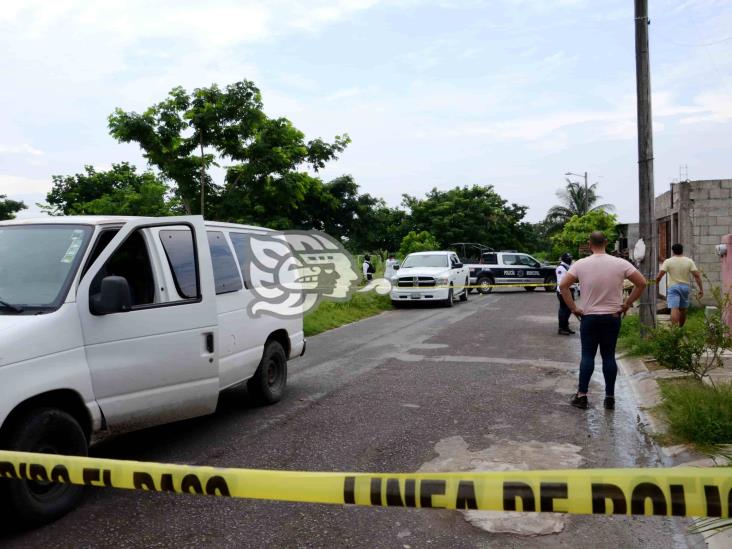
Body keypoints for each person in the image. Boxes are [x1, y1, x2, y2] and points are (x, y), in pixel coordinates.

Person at [559, 231, 647, 410]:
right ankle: (609, 398)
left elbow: (563, 286)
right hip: (612, 317)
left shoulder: (580, 264)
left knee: (588, 356)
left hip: (589, 317)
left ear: (589, 244)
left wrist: (574, 308)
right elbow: (642, 283)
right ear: (606, 243)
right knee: (608, 356)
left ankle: (582, 395)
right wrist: (627, 304)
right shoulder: (620, 263)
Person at [655, 243, 703, 327]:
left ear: (672, 251)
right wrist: (701, 289)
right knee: (682, 309)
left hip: (673, 288)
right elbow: (697, 275)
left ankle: (674, 330)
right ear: (682, 250)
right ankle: (681, 328)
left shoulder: (668, 261)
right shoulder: (689, 261)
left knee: (674, 308)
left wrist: (656, 284)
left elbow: (659, 275)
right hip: (685, 287)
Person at [555, 252, 575, 335]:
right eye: (569, 258)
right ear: (565, 259)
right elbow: (561, 282)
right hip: (563, 292)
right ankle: (561, 328)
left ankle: (566, 327)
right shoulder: (561, 268)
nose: (570, 260)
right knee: (564, 310)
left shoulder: (568, 267)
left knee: (568, 310)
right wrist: (563, 292)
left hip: (569, 291)